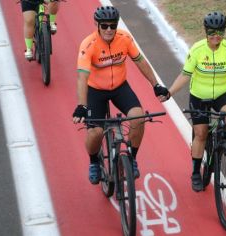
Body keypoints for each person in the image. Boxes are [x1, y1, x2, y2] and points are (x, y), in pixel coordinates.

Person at [162, 11, 226, 192]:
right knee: (201, 133)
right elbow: (185, 75)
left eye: (220, 32)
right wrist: (169, 93)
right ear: (206, 31)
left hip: (221, 94)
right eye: (212, 32)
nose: (216, 36)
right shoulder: (197, 50)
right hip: (199, 96)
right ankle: (195, 172)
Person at [72, 6, 169, 185]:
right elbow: (82, 77)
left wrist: (156, 85)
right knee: (95, 132)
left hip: (119, 87)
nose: (109, 29)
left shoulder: (124, 38)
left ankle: (132, 158)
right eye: (105, 25)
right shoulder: (88, 45)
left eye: (113, 25)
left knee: (138, 118)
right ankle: (94, 162)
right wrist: (81, 106)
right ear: (97, 25)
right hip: (95, 91)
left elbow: (140, 61)